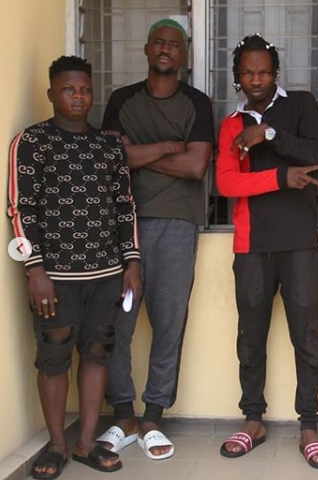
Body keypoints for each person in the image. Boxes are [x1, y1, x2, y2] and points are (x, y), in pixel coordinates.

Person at [7, 55, 141, 478]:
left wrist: (132, 262)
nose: (78, 96)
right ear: (51, 93)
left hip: (106, 274)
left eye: (84, 89)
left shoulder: (108, 147)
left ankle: (85, 442)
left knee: (98, 352)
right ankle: (56, 445)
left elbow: (125, 206)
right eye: (68, 89)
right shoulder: (32, 142)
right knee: (54, 356)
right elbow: (20, 208)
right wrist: (35, 270)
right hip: (54, 277)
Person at [215, 33, 318, 469]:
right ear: (237, 78)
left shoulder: (300, 105)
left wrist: (267, 133)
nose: (256, 80)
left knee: (308, 337)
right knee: (251, 337)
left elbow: (317, 153)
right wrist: (283, 178)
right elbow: (226, 183)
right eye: (247, 73)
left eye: (264, 72)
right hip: (251, 244)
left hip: (300, 242)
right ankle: (253, 421)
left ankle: (309, 427)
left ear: (275, 73)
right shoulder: (231, 125)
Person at [96, 19, 214, 460]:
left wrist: (138, 153)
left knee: (168, 322)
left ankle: (153, 417)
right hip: (123, 225)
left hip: (177, 225)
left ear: (184, 55)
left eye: (175, 44)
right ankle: (123, 414)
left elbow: (196, 167)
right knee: (118, 322)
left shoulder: (196, 103)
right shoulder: (122, 99)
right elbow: (111, 159)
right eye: (159, 43)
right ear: (146, 49)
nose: (166, 49)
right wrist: (169, 147)